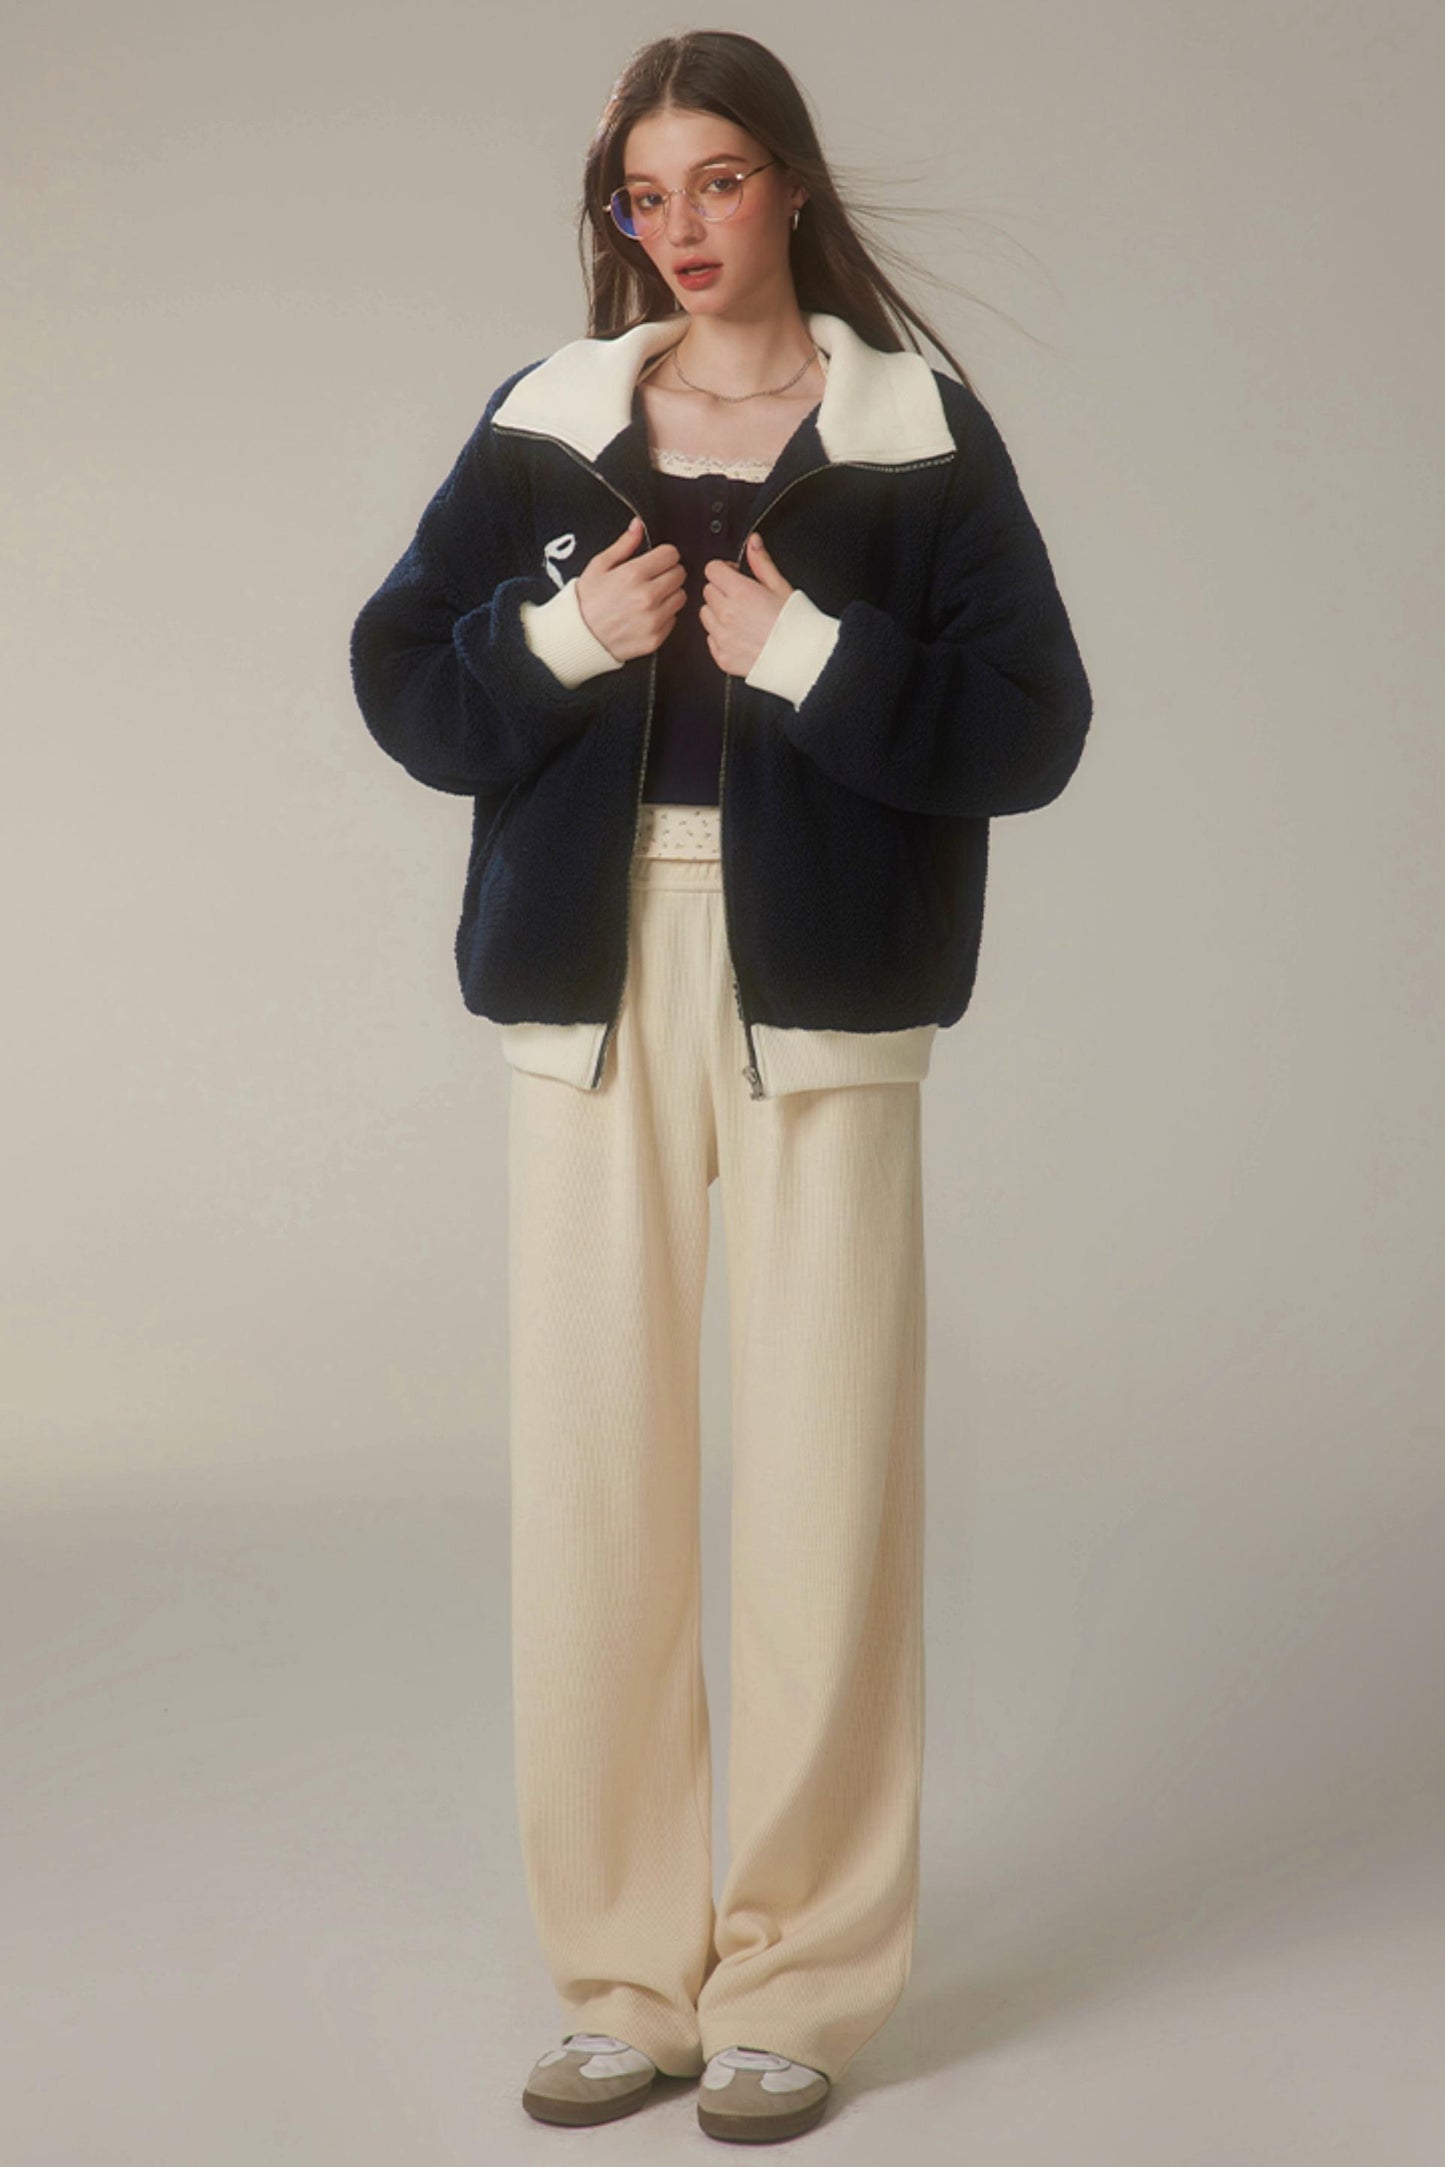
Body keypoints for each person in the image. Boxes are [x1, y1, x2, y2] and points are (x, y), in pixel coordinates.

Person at [349, 29, 1092, 2145]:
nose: (679, 226)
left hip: (823, 988)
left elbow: (1034, 726)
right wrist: (562, 642)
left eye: (719, 181)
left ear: (790, 188)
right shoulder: (546, 423)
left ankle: (800, 1984)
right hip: (585, 984)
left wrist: (815, 661)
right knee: (593, 1485)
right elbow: (403, 682)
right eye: (643, 194)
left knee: (826, 1481)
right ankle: (624, 1980)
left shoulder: (913, 430)